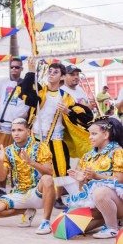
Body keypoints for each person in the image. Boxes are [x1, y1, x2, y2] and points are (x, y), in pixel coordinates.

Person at [18, 58, 93, 208]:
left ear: (62, 77)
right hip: (35, 139)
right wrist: (31, 72)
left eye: (56, 72)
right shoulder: (41, 90)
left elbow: (87, 116)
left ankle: (83, 204)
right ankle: (27, 211)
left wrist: (68, 111)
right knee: (30, 175)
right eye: (50, 71)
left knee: (62, 172)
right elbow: (26, 94)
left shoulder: (66, 98)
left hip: (56, 139)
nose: (51, 74)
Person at [0, 118, 55, 235]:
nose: (16, 133)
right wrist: (1, 160)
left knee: (47, 179)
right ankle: (26, 210)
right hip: (19, 193)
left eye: (20, 130)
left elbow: (49, 172)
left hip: (38, 193)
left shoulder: (40, 147)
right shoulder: (8, 151)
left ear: (28, 132)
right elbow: (2, 177)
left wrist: (31, 162)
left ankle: (45, 222)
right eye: (13, 130)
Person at [65, 116, 123, 239]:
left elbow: (119, 179)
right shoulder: (87, 156)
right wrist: (82, 180)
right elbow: (83, 190)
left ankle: (112, 228)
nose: (90, 137)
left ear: (106, 134)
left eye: (94, 134)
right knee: (73, 224)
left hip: (118, 201)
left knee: (100, 192)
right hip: (98, 202)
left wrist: (96, 176)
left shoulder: (117, 151)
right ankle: (109, 220)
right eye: (89, 134)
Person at [0, 57, 29, 199]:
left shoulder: (26, 85)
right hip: (3, 125)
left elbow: (29, 107)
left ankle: (17, 188)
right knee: (2, 158)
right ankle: (1, 188)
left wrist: (21, 123)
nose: (14, 69)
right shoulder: (2, 83)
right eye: (12, 67)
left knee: (18, 158)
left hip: (18, 127)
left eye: (17, 67)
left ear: (22, 69)